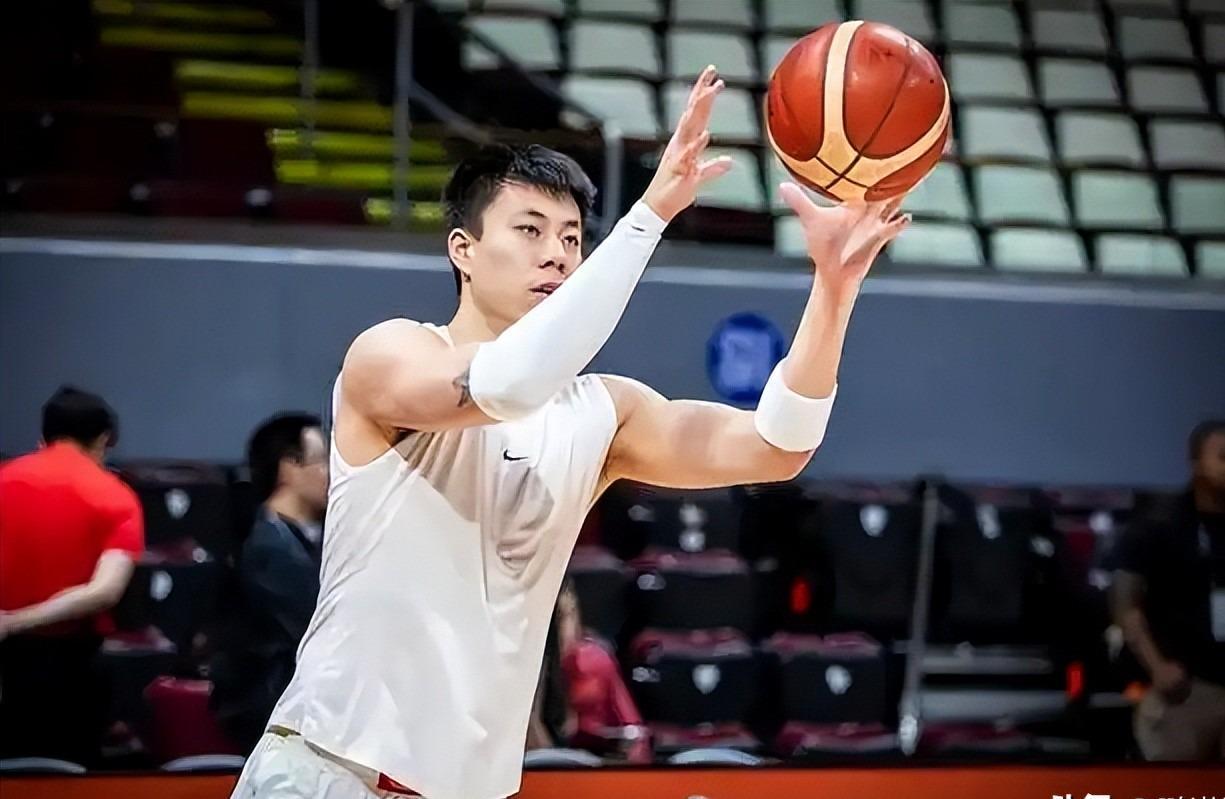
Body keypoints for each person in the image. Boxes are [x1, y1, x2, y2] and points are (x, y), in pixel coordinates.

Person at [232, 66, 911, 799]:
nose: (557, 252)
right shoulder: (390, 353)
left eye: (572, 237)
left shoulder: (601, 412)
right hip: (330, 769)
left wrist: (833, 290)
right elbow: (507, 383)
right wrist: (649, 214)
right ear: (462, 249)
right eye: (529, 230)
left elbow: (779, 446)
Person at [0, 386, 144, 764]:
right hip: (71, 668)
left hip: (7, 665)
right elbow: (104, 591)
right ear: (104, 439)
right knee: (67, 772)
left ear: (44, 435)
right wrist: (16, 621)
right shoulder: (116, 497)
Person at [211, 413, 328, 753]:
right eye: (322, 461)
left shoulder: (305, 537)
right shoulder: (268, 547)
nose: (331, 473)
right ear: (289, 467)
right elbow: (309, 630)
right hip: (275, 710)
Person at [1112, 420, 1225, 760]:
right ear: (1197, 464)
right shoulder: (1159, 523)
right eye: (1222, 457)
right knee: (1179, 782)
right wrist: (1157, 666)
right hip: (1185, 689)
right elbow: (1125, 604)